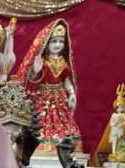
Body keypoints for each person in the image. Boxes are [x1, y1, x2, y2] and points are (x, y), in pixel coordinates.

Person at [14, 20, 80, 154]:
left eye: (61, 42)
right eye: (54, 41)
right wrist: (35, 71)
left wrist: (72, 92)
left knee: (62, 121)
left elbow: (66, 79)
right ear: (46, 43)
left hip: (60, 98)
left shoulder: (64, 62)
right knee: (41, 121)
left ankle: (64, 148)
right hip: (43, 97)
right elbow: (33, 80)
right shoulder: (42, 61)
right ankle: (41, 148)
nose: (57, 45)